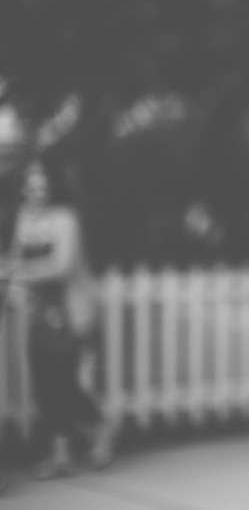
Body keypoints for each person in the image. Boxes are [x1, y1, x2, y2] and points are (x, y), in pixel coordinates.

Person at [10, 160, 114, 478]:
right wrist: (11, 270)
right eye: (30, 186)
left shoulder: (65, 219)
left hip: (70, 310)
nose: (35, 192)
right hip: (40, 312)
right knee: (44, 382)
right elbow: (15, 256)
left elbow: (62, 265)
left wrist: (19, 273)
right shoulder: (25, 218)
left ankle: (100, 431)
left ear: (54, 188)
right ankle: (61, 456)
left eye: (42, 186)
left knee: (63, 382)